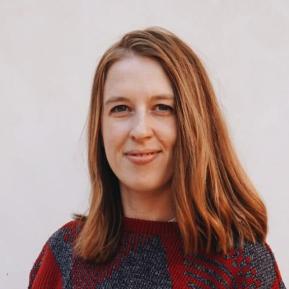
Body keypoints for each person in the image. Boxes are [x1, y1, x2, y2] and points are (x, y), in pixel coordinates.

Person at [28, 27, 286, 289]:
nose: (140, 130)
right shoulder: (63, 255)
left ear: (195, 123)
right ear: (100, 127)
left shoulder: (242, 263)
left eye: (162, 108)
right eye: (120, 108)